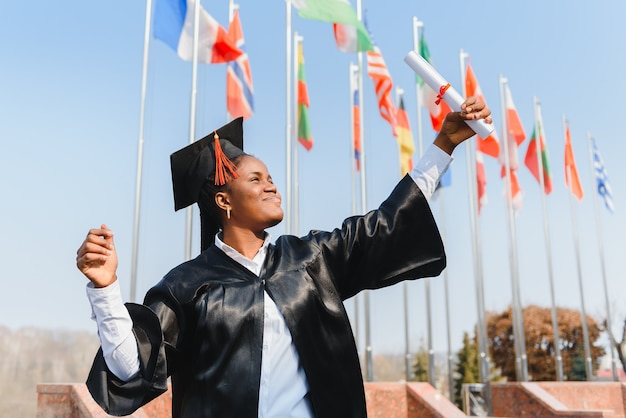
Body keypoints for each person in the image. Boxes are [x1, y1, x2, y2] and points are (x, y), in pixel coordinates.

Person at [76, 97, 491, 418]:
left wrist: (445, 143)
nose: (272, 186)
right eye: (255, 179)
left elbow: (386, 223)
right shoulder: (185, 285)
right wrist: (105, 288)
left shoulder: (310, 259)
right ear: (224, 200)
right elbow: (131, 372)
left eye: (271, 178)